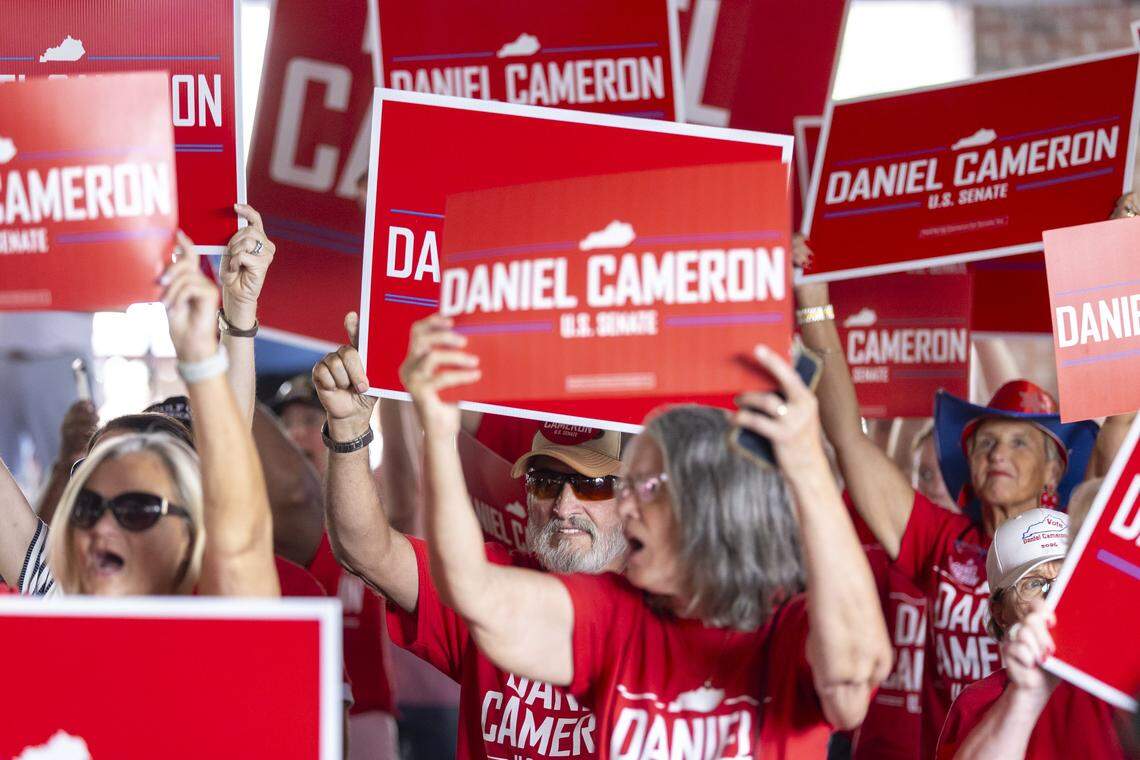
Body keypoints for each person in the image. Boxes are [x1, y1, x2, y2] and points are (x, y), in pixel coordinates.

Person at [389, 314, 891, 758]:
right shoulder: (614, 617)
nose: (624, 504)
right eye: (625, 486)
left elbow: (853, 674)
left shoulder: (784, 630)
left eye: (644, 486)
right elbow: (473, 591)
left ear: (704, 501)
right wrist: (436, 425)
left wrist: (807, 467)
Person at [793, 224, 1122, 755]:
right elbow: (848, 443)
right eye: (985, 442)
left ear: (1055, 472)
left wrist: (1121, 259)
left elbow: (1119, 433)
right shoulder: (940, 539)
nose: (997, 454)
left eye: (1020, 442)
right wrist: (812, 303)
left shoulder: (1070, 541)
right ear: (966, 463)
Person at [315, 313, 639, 759]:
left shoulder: (662, 612)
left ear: (632, 500)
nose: (564, 507)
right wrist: (349, 431)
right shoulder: (491, 578)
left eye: (591, 484)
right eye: (545, 482)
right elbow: (366, 551)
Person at [0, 232, 278, 598]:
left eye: (137, 508)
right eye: (86, 504)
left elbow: (233, 510)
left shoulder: (212, 614)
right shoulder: (59, 589)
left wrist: (209, 348)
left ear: (196, 522)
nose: (101, 526)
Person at [936, 509, 1126, 759]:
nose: (1054, 597)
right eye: (1034, 584)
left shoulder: (1122, 690)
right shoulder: (978, 703)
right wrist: (1025, 696)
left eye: (1067, 577)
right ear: (1000, 612)